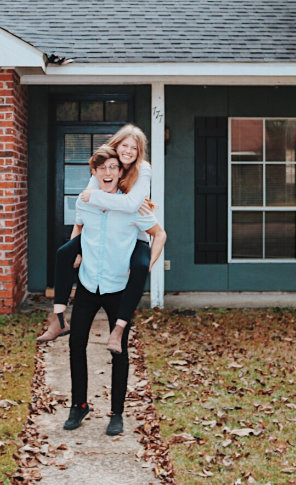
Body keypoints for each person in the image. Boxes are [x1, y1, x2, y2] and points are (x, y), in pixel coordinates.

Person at [60, 146, 167, 436]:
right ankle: (79, 405)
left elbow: (159, 235)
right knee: (75, 345)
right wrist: (77, 252)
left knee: (119, 351)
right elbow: (78, 228)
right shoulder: (85, 202)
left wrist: (146, 266)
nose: (107, 172)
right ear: (94, 173)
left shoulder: (133, 208)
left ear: (120, 173)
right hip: (87, 284)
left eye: (113, 168)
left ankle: (116, 412)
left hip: (118, 286)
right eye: (101, 168)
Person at [37, 124, 156, 353]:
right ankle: (58, 317)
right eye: (125, 145)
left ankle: (120, 327)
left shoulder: (143, 169)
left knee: (140, 267)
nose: (129, 151)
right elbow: (86, 203)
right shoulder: (106, 166)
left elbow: (130, 205)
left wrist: (97, 198)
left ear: (139, 151)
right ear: (117, 145)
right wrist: (77, 247)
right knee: (64, 253)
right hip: (102, 230)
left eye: (134, 147)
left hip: (135, 235)